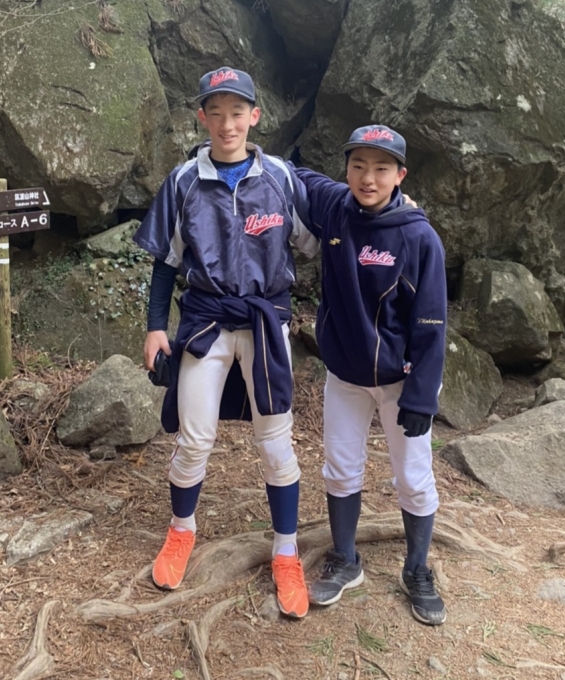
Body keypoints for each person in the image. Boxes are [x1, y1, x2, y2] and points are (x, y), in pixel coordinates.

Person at [132, 66, 320, 619]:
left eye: (237, 112)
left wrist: (392, 211)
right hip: (206, 321)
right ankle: (181, 530)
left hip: (265, 322)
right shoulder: (183, 181)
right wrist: (155, 325)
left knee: (276, 444)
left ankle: (286, 551)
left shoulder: (281, 178)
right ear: (203, 117)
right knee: (194, 439)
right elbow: (166, 262)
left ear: (254, 116)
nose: (227, 123)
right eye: (216, 112)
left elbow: (323, 241)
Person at [292, 124, 448, 625]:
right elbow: (292, 176)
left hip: (402, 380)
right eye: (358, 165)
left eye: (381, 168)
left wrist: (421, 397)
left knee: (414, 478)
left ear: (400, 175)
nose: (368, 177)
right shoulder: (335, 208)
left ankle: (417, 569)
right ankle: (345, 560)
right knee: (340, 468)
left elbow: (432, 324)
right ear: (346, 169)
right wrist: (242, 154)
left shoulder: (419, 238)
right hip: (346, 375)